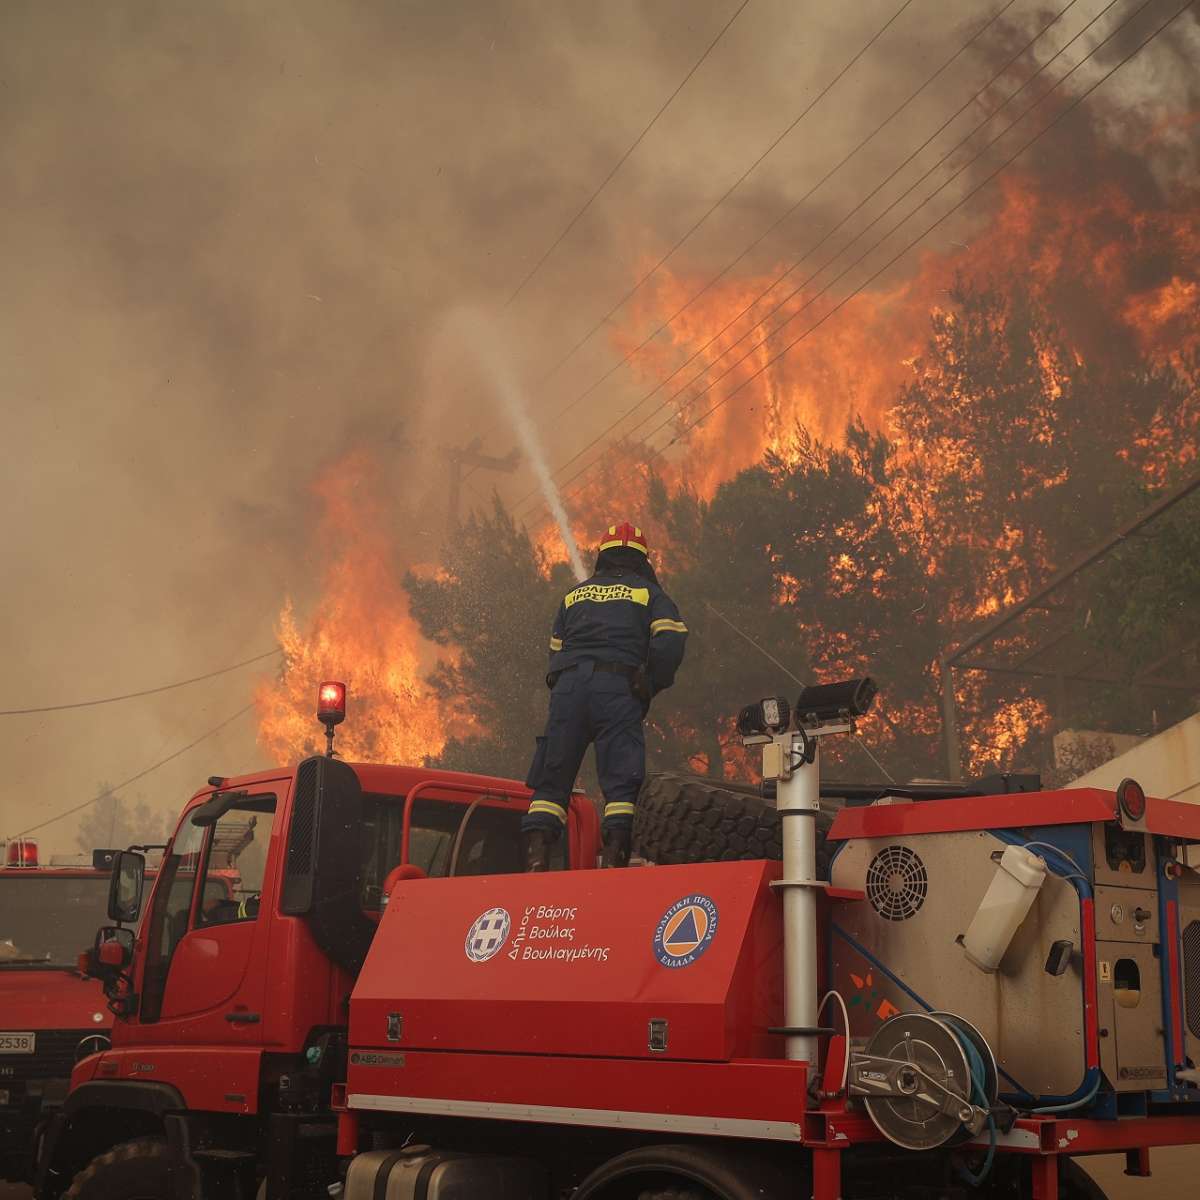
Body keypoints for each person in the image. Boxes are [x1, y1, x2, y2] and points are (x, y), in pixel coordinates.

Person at [522, 521, 688, 870]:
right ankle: (615, 856)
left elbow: (555, 650)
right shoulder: (649, 594)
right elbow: (671, 639)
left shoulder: (573, 595)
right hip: (617, 687)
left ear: (602, 557)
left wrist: (565, 688)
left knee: (555, 770)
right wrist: (651, 681)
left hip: (569, 688)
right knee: (621, 775)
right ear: (642, 560)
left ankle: (537, 854)